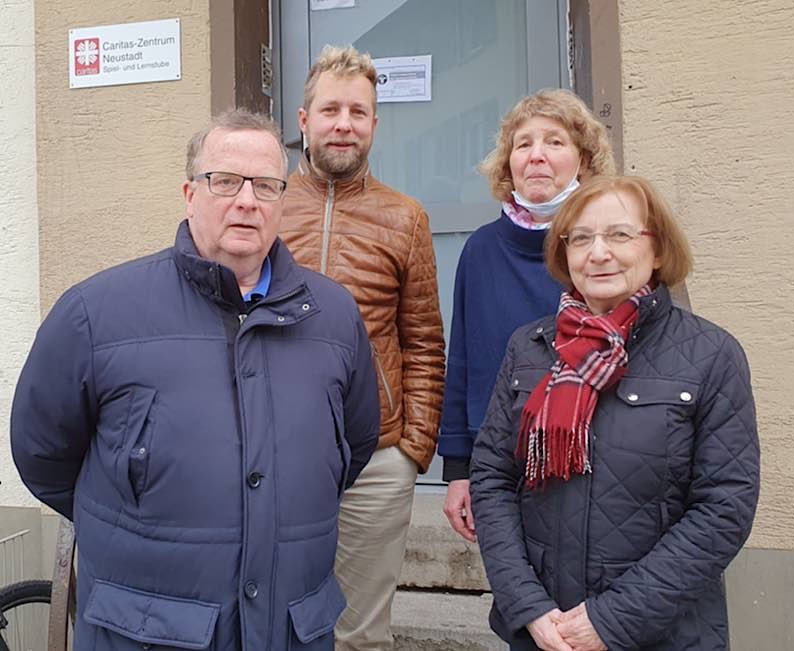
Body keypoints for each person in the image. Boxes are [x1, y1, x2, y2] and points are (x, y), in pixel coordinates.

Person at [10, 110, 380, 651]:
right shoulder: (97, 313)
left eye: (266, 185)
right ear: (190, 194)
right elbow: (42, 453)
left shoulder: (334, 316)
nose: (247, 201)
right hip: (145, 632)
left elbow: (353, 444)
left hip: (291, 627)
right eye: (225, 181)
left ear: (283, 199)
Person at [470, 175, 760, 651]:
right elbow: (493, 478)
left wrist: (611, 620)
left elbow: (724, 507)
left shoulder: (711, 354)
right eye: (580, 237)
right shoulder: (530, 348)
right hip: (546, 632)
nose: (598, 252)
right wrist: (528, 607)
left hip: (661, 632)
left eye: (620, 235)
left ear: (659, 249)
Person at [280, 45, 446, 649]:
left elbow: (424, 340)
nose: (343, 123)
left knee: (359, 634)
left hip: (376, 460)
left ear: (374, 123)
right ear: (304, 121)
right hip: (275, 455)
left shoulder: (405, 217)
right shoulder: (264, 207)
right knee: (274, 617)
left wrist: (412, 451)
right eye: (330, 110)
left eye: (358, 111)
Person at [439, 89, 616, 542]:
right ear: (508, 163)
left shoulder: (608, 250)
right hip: (501, 461)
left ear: (584, 159)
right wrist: (459, 469)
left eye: (555, 142)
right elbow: (462, 361)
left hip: (594, 454)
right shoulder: (480, 250)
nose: (537, 155)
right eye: (524, 144)